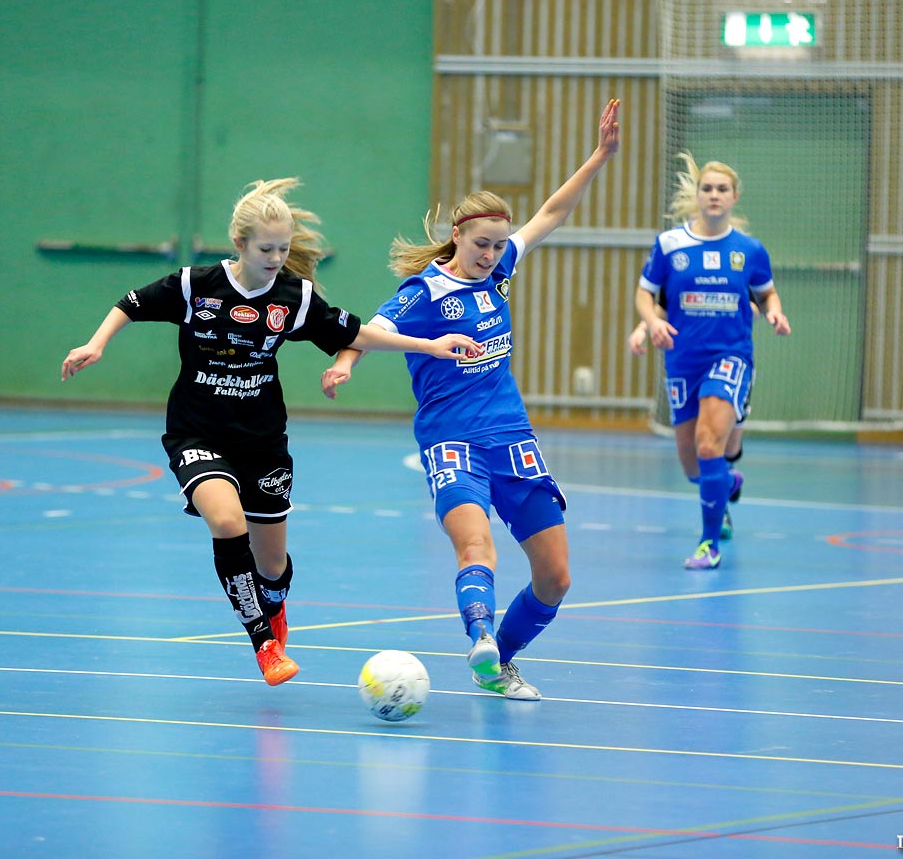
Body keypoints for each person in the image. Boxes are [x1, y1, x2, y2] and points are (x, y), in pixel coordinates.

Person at [60, 178, 481, 686]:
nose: (277, 257)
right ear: (238, 244)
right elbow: (132, 302)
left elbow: (353, 333)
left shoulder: (294, 297)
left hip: (262, 441)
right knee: (227, 522)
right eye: (266, 248)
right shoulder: (196, 286)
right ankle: (263, 644)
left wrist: (429, 345)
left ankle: (275, 606)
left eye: (283, 248)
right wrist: (96, 343)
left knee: (272, 565)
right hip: (196, 433)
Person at [322, 99, 621, 701]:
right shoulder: (426, 291)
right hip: (451, 439)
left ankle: (500, 661)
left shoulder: (502, 270)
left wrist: (599, 157)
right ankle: (481, 637)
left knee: (555, 576)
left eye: (498, 246)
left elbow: (551, 214)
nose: (491, 255)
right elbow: (367, 329)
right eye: (481, 244)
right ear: (457, 236)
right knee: (475, 542)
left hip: (513, 439)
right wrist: (345, 361)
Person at [634, 152, 789, 570]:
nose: (714, 195)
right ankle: (725, 483)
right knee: (691, 461)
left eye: (722, 189)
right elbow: (647, 295)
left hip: (731, 356)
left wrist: (773, 309)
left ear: (735, 196)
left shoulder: (749, 250)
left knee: (709, 443)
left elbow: (766, 292)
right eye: (707, 188)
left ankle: (708, 544)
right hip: (683, 360)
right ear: (697, 195)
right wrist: (649, 323)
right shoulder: (670, 245)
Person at [628, 299, 752, 540]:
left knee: (725, 448)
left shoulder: (736, 269)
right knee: (695, 465)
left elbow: (760, 303)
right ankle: (725, 483)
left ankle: (713, 531)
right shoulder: (680, 271)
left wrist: (727, 308)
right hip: (687, 365)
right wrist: (644, 328)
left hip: (728, 357)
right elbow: (663, 306)